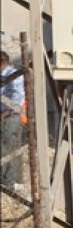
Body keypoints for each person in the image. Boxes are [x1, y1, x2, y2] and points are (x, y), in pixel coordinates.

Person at [0, 50, 26, 188]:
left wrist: (5, 113)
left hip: (9, 116)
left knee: (7, 148)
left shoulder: (13, 75)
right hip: (4, 115)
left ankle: (8, 182)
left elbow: (17, 98)